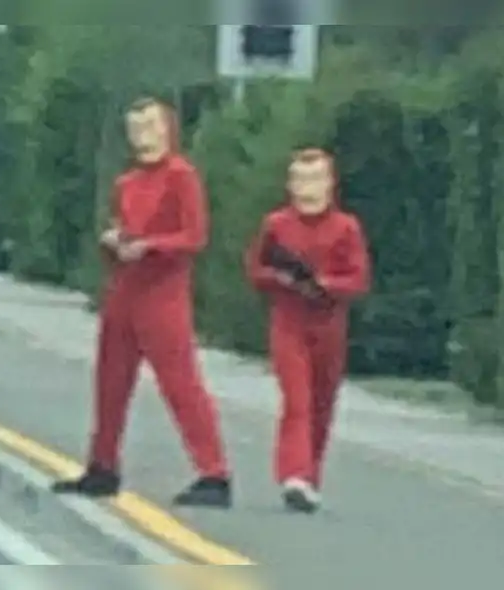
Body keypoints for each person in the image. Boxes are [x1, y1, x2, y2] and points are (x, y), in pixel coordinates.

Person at [51, 97, 232, 508]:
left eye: (150, 125)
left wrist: (150, 246)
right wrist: (114, 242)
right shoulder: (127, 183)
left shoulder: (181, 176)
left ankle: (214, 472)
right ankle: (103, 465)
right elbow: (119, 226)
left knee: (180, 383)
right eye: (135, 128)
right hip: (124, 290)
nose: (143, 135)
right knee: (110, 382)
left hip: (163, 293)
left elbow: (195, 236)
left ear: (168, 128)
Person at [244, 147, 371, 513]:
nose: (307, 188)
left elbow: (359, 279)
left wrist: (326, 285)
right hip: (289, 322)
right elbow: (255, 269)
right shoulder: (276, 225)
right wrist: (282, 278)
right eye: (300, 179)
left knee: (321, 404)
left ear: (330, 183)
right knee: (297, 401)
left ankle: (310, 478)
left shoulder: (346, 227)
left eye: (315, 178)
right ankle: (294, 474)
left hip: (329, 324)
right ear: (289, 184)